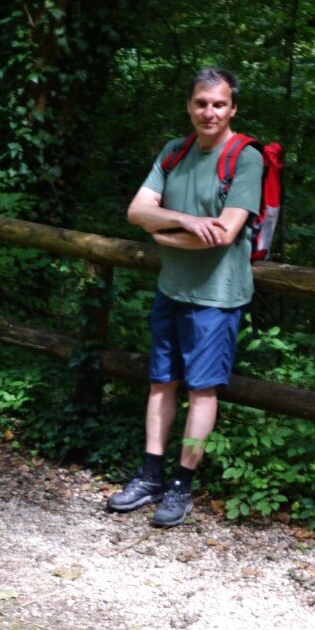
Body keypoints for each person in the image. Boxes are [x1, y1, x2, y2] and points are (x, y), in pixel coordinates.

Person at [105, 65, 262, 528]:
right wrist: (190, 223)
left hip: (217, 296)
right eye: (201, 103)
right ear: (189, 106)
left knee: (202, 390)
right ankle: (150, 474)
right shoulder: (175, 152)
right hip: (171, 287)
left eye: (218, 104)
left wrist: (166, 231)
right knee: (161, 382)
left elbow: (227, 231)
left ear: (232, 107)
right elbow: (136, 211)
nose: (209, 112)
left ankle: (181, 483)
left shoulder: (246, 158)